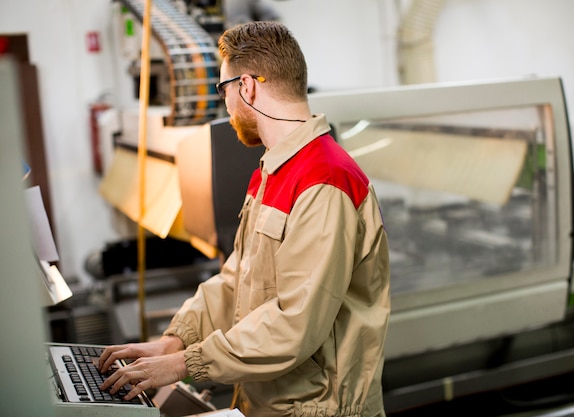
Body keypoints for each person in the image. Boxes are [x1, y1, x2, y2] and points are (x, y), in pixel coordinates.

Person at [98, 20, 391, 417]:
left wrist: (187, 363)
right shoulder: (270, 173)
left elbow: (295, 323)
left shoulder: (324, 180)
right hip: (270, 404)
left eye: (223, 89)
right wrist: (175, 341)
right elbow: (236, 281)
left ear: (247, 87)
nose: (226, 103)